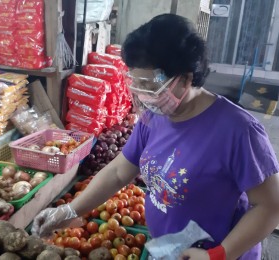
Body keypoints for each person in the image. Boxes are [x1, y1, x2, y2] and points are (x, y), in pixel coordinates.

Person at [32, 14, 279, 260]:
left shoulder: (238, 131)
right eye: (138, 85)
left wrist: (218, 255)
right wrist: (69, 211)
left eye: (152, 87)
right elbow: (119, 172)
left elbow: (270, 206)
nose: (145, 97)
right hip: (167, 248)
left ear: (186, 78)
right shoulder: (155, 117)